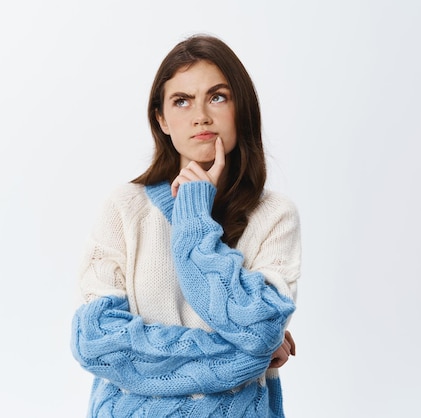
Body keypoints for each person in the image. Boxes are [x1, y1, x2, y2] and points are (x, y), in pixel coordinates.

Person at [70, 34, 301, 417]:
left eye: (217, 97)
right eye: (182, 101)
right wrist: (250, 353)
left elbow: (258, 330)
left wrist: (193, 215)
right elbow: (97, 342)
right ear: (161, 119)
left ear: (240, 107)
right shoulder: (125, 209)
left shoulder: (274, 215)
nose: (201, 117)